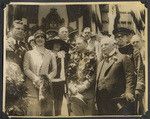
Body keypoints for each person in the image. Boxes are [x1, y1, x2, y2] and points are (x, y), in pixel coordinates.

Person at [96, 36, 136, 115]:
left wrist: (129, 92)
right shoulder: (100, 63)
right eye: (101, 45)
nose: (103, 47)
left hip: (118, 101)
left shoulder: (123, 58)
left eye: (106, 44)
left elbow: (130, 76)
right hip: (102, 102)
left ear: (113, 45)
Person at [23, 29, 57, 116]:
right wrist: (36, 79)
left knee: (46, 110)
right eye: (37, 37)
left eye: (42, 37)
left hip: (45, 86)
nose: (40, 39)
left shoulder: (50, 54)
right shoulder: (29, 53)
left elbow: (54, 70)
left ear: (45, 39)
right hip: (31, 85)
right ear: (35, 39)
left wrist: (45, 81)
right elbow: (26, 69)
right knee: (33, 110)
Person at [113, 28, 145, 114]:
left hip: (131, 87)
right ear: (115, 39)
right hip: (118, 88)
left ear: (127, 38)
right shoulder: (114, 52)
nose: (120, 38)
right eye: (117, 37)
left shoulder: (134, 51)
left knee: (131, 111)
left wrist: (139, 88)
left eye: (122, 36)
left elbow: (140, 69)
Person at [68, 36, 97, 116]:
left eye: (79, 43)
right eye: (76, 44)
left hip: (87, 92)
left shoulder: (92, 56)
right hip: (75, 92)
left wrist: (84, 86)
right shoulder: (73, 56)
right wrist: (71, 86)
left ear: (85, 43)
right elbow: (70, 73)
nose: (76, 45)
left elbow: (94, 74)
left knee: (88, 115)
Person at [45, 37, 70, 116]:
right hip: (51, 81)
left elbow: (66, 68)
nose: (57, 45)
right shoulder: (48, 55)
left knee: (59, 102)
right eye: (55, 44)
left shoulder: (63, 56)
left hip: (61, 82)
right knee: (50, 102)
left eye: (59, 44)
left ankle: (57, 115)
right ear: (52, 45)